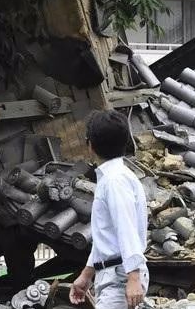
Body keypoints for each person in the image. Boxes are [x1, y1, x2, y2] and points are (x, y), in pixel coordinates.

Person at [70, 110, 149, 309]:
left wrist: (133, 278)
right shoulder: (116, 177)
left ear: (91, 145)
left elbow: (126, 228)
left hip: (120, 277)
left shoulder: (114, 181)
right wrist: (86, 275)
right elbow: (107, 236)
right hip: (116, 274)